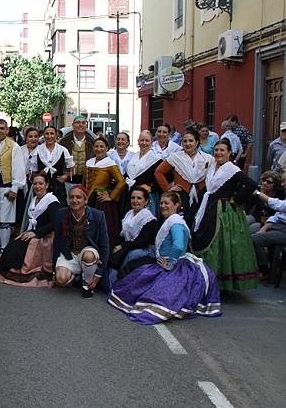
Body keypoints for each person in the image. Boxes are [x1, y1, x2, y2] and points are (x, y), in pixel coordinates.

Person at [108, 192, 222, 325]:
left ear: (177, 205)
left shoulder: (176, 222)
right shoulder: (173, 220)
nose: (162, 206)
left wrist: (170, 263)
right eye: (161, 203)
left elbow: (179, 246)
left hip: (175, 265)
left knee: (157, 293)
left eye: (167, 203)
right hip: (165, 260)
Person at [191, 139, 259, 291]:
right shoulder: (212, 167)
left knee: (223, 244)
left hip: (224, 212)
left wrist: (237, 198)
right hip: (209, 208)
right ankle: (207, 278)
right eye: (216, 150)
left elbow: (251, 185)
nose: (219, 153)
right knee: (206, 240)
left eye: (222, 150)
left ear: (229, 153)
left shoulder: (232, 170)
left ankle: (221, 282)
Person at [0, 174, 59, 286]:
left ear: (47, 185)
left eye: (41, 184)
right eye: (35, 184)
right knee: (15, 245)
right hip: (33, 232)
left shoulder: (52, 201)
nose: (37, 186)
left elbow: (54, 223)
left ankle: (23, 270)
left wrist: (35, 233)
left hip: (45, 236)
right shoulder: (34, 199)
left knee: (27, 246)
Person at [53, 185, 110, 298]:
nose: (74, 200)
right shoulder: (61, 213)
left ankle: (87, 283)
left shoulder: (98, 215)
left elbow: (104, 245)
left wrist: (99, 274)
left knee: (88, 256)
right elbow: (57, 241)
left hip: (87, 252)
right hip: (69, 252)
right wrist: (54, 268)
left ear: (86, 200)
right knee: (60, 280)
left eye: (78, 197)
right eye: (72, 197)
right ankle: (77, 276)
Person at [155, 129, 212, 227]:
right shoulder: (176, 157)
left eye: (191, 141)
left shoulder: (207, 158)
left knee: (201, 224)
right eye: (185, 141)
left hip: (201, 195)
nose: (187, 144)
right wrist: (168, 188)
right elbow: (158, 172)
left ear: (197, 142)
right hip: (182, 196)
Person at [105, 187, 157, 290]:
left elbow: (144, 241)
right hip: (129, 245)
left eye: (139, 198)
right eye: (133, 198)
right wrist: (113, 246)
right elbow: (122, 235)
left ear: (146, 201)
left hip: (143, 249)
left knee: (129, 255)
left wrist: (122, 246)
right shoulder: (129, 214)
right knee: (110, 250)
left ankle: (120, 284)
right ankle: (107, 281)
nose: (135, 201)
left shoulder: (149, 218)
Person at [0, 119, 26, 258]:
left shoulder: (14, 146)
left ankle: (5, 249)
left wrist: (15, 188)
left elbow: (18, 167)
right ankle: (0, 247)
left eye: (2, 128)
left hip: (7, 186)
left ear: (7, 130)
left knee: (5, 219)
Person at [85, 137, 126, 247]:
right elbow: (84, 183)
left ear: (107, 148)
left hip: (101, 202)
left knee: (104, 228)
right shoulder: (89, 162)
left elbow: (121, 181)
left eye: (102, 146)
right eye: (97, 146)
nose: (99, 149)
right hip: (88, 200)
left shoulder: (109, 164)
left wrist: (111, 197)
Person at [29, 125, 73, 206]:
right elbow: (33, 172)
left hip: (59, 188)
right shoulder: (38, 151)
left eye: (52, 134)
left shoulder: (63, 150)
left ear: (56, 135)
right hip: (41, 189)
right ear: (43, 135)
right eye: (47, 134)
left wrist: (66, 176)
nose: (49, 136)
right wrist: (39, 176)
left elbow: (72, 168)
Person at [252, 179, 286, 281]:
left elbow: (280, 206)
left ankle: (265, 271)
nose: (283, 184)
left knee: (255, 239)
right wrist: (264, 228)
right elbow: (278, 214)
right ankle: (257, 268)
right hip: (277, 225)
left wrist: (259, 193)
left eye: (285, 181)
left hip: (284, 229)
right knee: (250, 233)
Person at [123, 130, 162, 217]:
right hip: (131, 194)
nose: (144, 143)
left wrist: (152, 188)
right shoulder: (133, 156)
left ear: (151, 142)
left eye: (147, 141)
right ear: (138, 142)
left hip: (146, 197)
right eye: (142, 140)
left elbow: (163, 177)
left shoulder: (156, 160)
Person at [59, 115, 95, 184]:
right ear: (73, 125)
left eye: (83, 123)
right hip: (67, 181)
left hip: (86, 181)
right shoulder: (64, 141)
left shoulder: (92, 142)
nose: (81, 125)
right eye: (78, 122)